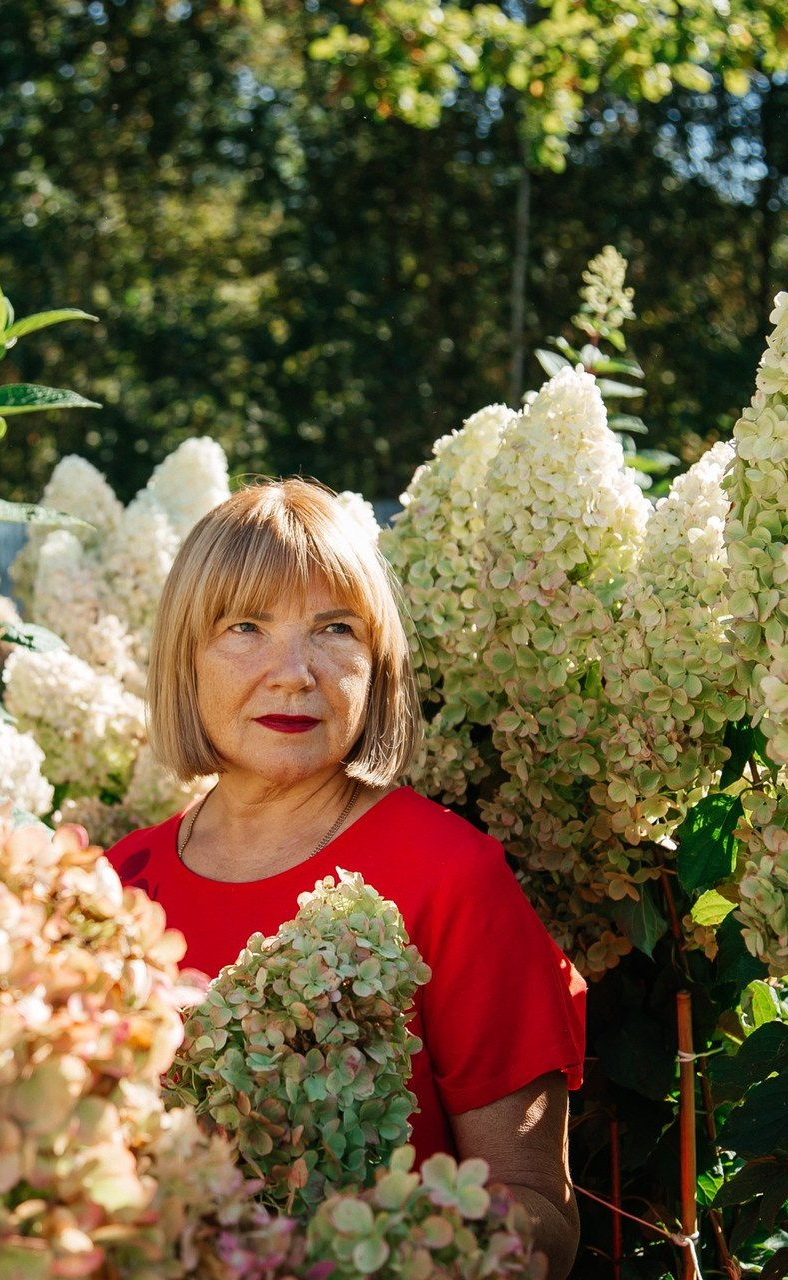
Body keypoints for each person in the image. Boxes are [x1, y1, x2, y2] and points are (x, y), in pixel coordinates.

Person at [106, 478, 586, 1275]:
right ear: (186, 657)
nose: (294, 672)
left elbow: (543, 1218)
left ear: (378, 662)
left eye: (334, 630)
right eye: (245, 627)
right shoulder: (118, 884)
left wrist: (370, 1248)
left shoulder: (450, 875)